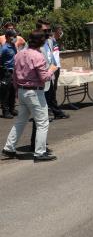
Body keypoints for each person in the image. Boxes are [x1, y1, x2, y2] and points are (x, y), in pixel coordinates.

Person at [2, 30, 58, 162]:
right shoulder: (38, 56)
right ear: (41, 41)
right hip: (34, 92)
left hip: (22, 90)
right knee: (43, 122)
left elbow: (15, 75)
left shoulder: (20, 54)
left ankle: (9, 148)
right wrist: (52, 70)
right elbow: (44, 77)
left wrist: (17, 91)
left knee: (20, 121)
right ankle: (39, 153)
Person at [45, 24, 68, 119]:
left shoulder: (54, 41)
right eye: (60, 31)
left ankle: (54, 111)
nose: (61, 33)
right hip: (52, 68)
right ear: (55, 32)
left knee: (52, 90)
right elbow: (50, 56)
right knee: (50, 91)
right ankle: (54, 111)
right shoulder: (50, 41)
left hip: (55, 68)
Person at [0, 29, 18, 118]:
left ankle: (12, 109)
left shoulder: (13, 46)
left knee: (12, 92)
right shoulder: (4, 48)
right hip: (6, 72)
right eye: (13, 37)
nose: (15, 38)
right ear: (7, 37)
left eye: (15, 36)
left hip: (14, 72)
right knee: (5, 93)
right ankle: (5, 111)